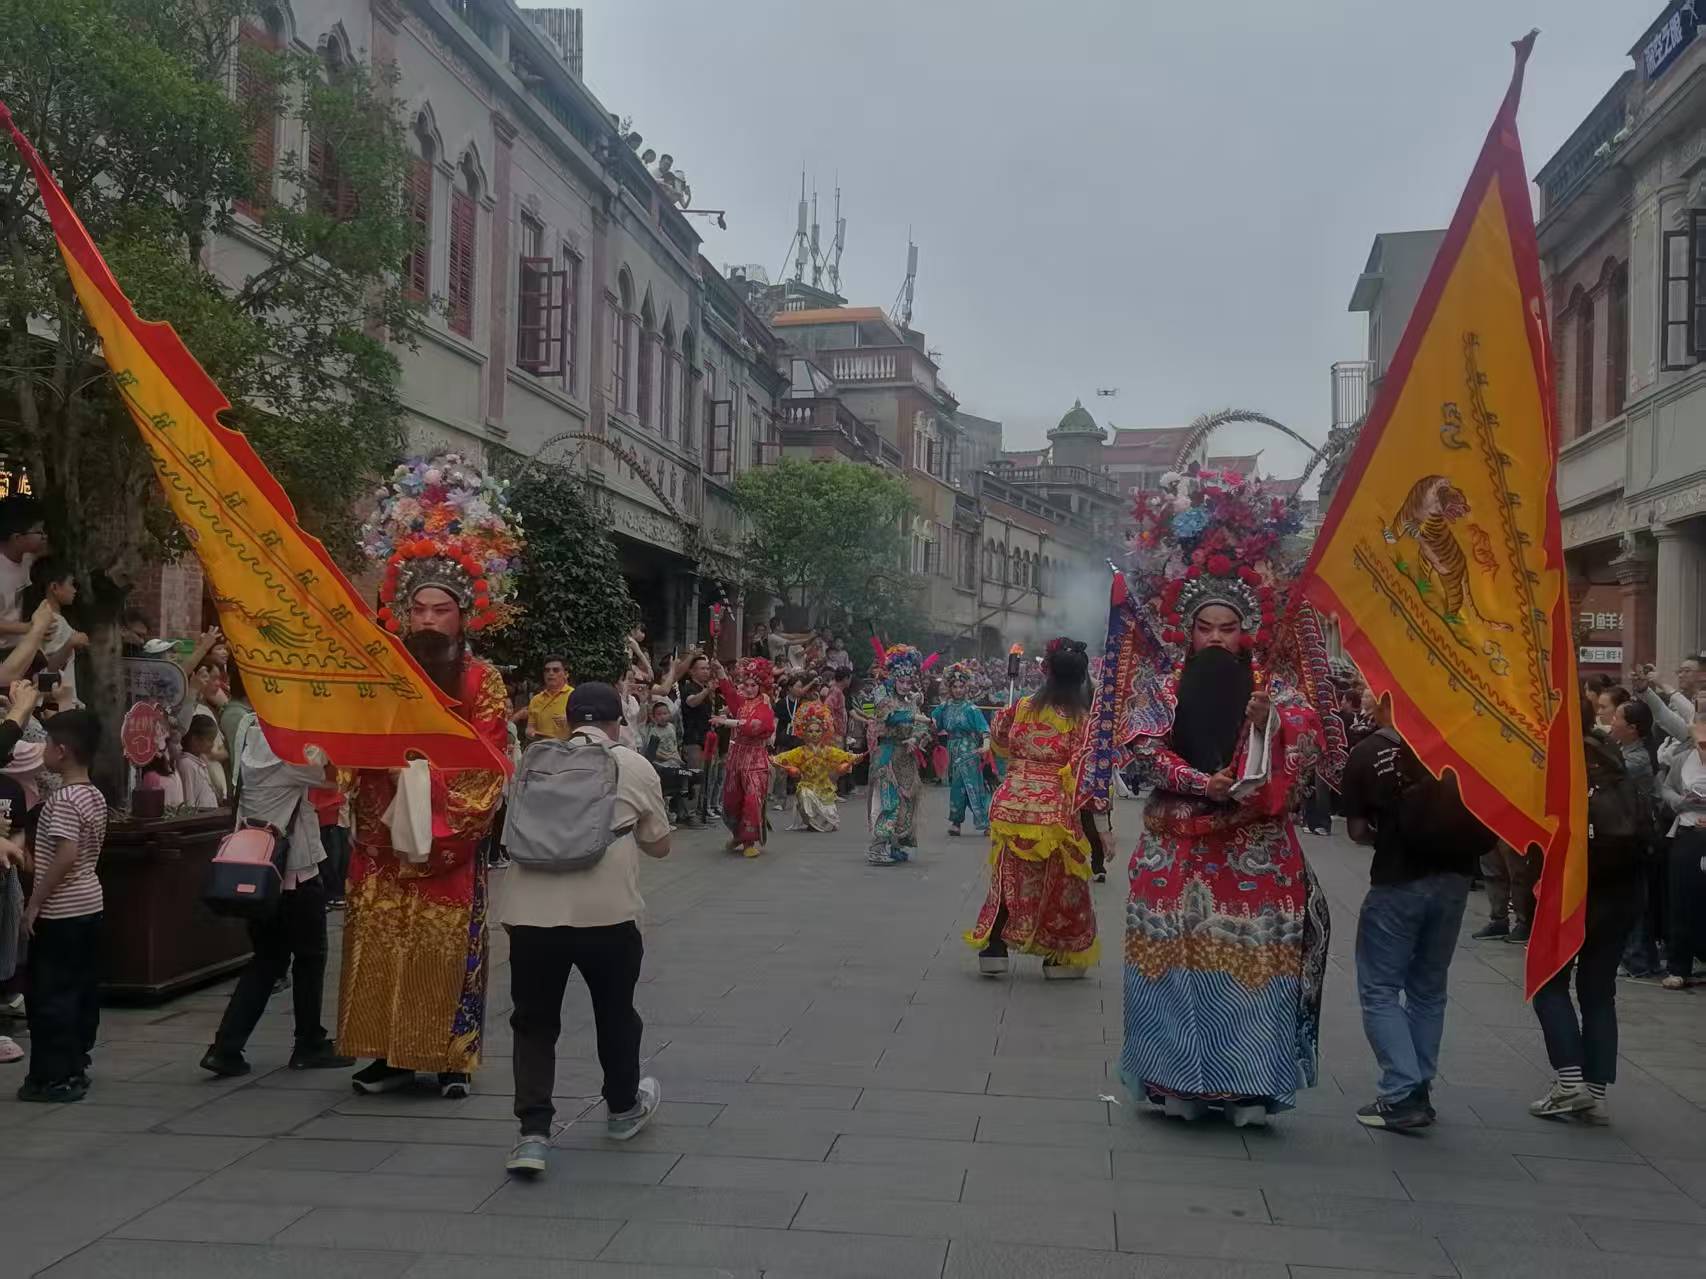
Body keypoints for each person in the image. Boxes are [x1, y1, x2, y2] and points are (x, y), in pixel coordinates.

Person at [1110, 468, 1337, 1127]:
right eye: (1204, 625)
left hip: (1255, 856)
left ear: (1246, 629)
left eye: (1226, 626)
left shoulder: (1277, 686)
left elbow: (1309, 749)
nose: (1214, 636)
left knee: (1252, 961)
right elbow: (1140, 748)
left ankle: (1246, 1083)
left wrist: (1269, 722)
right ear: (1186, 626)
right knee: (1170, 962)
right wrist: (1195, 781)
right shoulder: (1159, 680)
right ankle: (1173, 1078)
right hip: (1174, 854)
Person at [338, 466, 513, 1100]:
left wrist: (416, 778)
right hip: (383, 842)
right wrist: (366, 768)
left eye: (443, 609)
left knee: (442, 951)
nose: (430, 619)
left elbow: (488, 764)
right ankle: (387, 1054)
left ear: (464, 616)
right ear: (401, 611)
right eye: (418, 608)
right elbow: (354, 745)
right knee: (382, 946)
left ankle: (449, 1059)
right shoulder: (384, 677)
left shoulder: (482, 681)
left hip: (446, 846)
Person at [498, 683, 670, 1177]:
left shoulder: (532, 760)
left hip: (530, 912)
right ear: (619, 721)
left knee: (533, 1022)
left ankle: (532, 1135)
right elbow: (659, 845)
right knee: (615, 1013)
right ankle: (622, 1108)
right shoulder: (632, 765)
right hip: (606, 913)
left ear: (568, 720)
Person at [1340, 697, 1495, 1129]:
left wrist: (1388, 835)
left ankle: (1401, 1089)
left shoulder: (1368, 753)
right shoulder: (1458, 746)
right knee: (1429, 987)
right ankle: (1421, 1082)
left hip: (1397, 880)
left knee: (1380, 987)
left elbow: (1355, 830)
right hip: (1455, 881)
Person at [200, 719, 354, 1077]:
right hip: (294, 869)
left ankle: (226, 1047)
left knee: (267, 960)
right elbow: (334, 777)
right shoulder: (288, 752)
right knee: (311, 956)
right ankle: (309, 1043)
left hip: (259, 868)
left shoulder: (249, 733)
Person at [1529, 698, 1651, 1121]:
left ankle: (1569, 1083)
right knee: (1599, 990)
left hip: (1574, 890)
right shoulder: (1614, 759)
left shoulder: (1556, 765)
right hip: (1623, 890)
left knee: (1549, 982)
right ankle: (1594, 1090)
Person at [965, 638, 1098, 976]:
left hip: (1012, 804)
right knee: (1061, 883)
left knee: (1007, 879)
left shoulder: (1022, 705)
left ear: (1047, 672)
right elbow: (1085, 772)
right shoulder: (1081, 720)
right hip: (1055, 810)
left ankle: (994, 949)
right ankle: (1058, 956)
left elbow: (999, 738)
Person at [9, 709, 106, 1102]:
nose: (42, 749)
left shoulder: (64, 800)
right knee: (80, 987)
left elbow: (65, 854)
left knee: (50, 994)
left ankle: (54, 1075)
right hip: (89, 902)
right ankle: (75, 1063)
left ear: (62, 751)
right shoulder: (94, 794)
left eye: (47, 743)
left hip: (62, 908)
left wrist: (34, 904)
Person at [866, 645, 930, 866]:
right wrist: (915, 717)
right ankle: (877, 847)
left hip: (906, 759)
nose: (904, 686)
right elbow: (889, 718)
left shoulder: (910, 700)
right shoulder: (882, 697)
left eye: (909, 682)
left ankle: (895, 845)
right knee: (889, 802)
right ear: (893, 679)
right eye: (901, 682)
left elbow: (923, 728)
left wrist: (915, 738)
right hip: (887, 756)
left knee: (906, 803)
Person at [1658, 710, 1706, 990]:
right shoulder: (1681, 761)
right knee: (1681, 900)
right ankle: (1678, 966)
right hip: (1686, 833)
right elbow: (1666, 788)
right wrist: (1679, 801)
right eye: (1700, 742)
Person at [713, 658, 776, 858]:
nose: (749, 689)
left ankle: (749, 841)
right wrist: (720, 671)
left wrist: (727, 722)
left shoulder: (765, 706)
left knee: (751, 800)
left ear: (761, 686)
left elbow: (755, 726)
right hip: (736, 759)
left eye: (753, 685)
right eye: (746, 685)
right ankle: (738, 835)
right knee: (732, 801)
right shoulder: (741, 703)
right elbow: (730, 693)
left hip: (755, 761)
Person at [771, 701, 858, 832]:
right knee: (806, 795)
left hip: (824, 790)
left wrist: (855, 758)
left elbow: (845, 756)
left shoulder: (828, 751)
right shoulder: (800, 751)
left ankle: (821, 820)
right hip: (807, 787)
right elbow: (782, 758)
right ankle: (811, 821)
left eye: (817, 731)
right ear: (804, 732)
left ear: (823, 732)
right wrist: (772, 759)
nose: (814, 734)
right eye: (810, 731)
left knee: (830, 822)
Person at [931, 663, 992, 837]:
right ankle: (956, 821)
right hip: (952, 749)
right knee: (956, 787)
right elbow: (934, 724)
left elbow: (984, 729)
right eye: (955, 686)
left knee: (973, 785)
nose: (958, 690)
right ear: (950, 688)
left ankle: (985, 821)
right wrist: (929, 726)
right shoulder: (944, 708)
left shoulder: (971, 709)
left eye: (961, 686)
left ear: (966, 687)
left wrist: (986, 744)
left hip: (970, 751)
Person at [0, 496, 46, 657]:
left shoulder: (27, 559)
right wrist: (30, 628)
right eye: (38, 531)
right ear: (17, 538)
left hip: (21, 649)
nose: (44, 536)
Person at [1474, 840, 1539, 943]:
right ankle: (1499, 921)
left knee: (1518, 874)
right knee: (1492, 872)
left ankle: (1524, 923)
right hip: (1490, 828)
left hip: (1514, 829)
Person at [515, 656, 573, 743]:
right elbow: (530, 728)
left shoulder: (574, 696)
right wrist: (531, 733)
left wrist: (569, 723)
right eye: (547, 670)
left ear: (566, 674)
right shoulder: (536, 699)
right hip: (541, 749)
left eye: (556, 670)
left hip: (566, 751)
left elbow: (584, 728)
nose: (551, 673)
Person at [176, 714, 223, 810]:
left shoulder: (200, 761)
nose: (212, 744)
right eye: (210, 740)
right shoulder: (186, 764)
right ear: (195, 740)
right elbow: (189, 802)